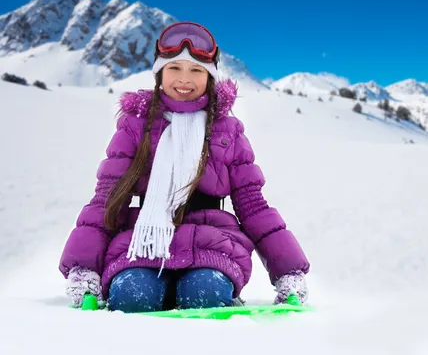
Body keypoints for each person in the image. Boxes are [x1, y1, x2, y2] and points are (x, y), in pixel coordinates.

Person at [59, 21, 310, 313]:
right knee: (132, 295)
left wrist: (289, 272)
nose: (184, 79)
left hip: (213, 244)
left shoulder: (226, 131)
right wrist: (83, 267)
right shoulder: (135, 128)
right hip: (142, 243)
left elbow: (253, 207)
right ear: (160, 73)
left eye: (196, 71)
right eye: (174, 68)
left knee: (205, 293)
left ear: (210, 76)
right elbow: (107, 200)